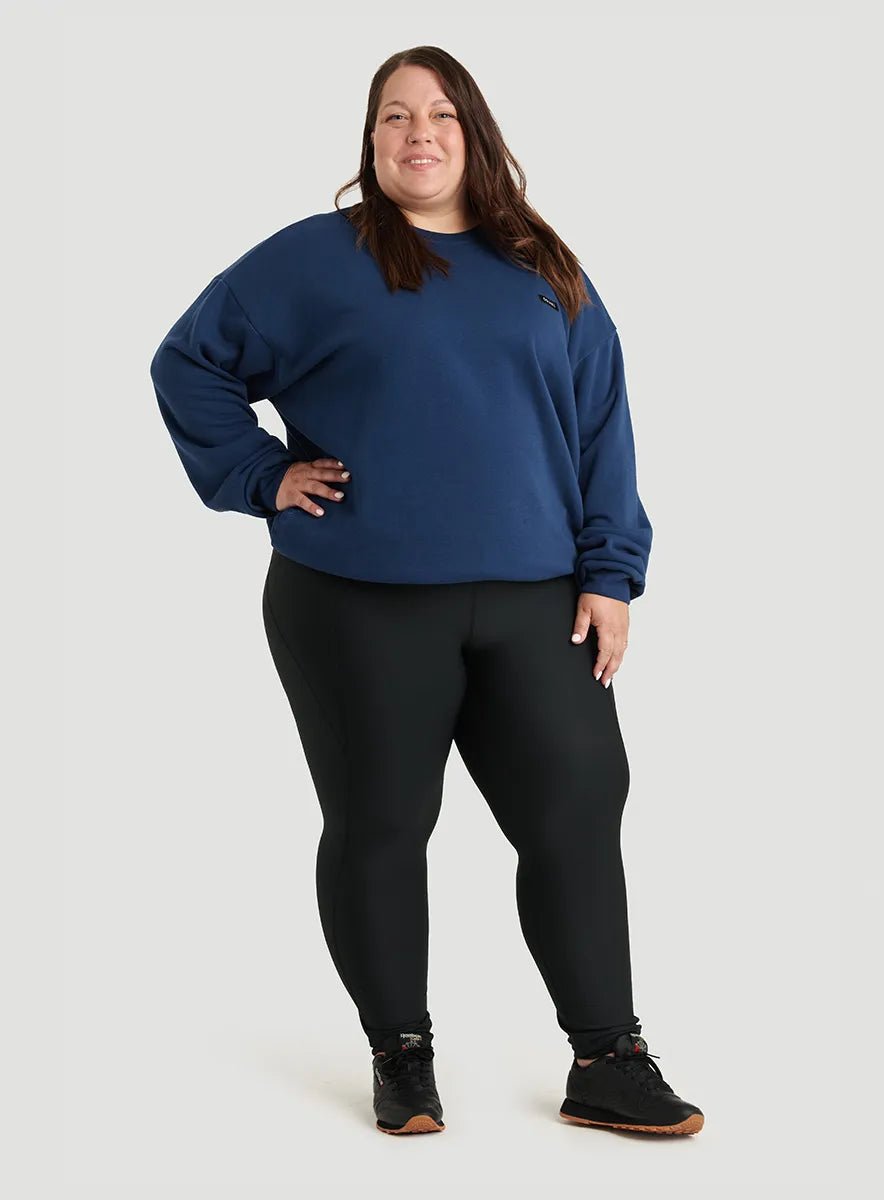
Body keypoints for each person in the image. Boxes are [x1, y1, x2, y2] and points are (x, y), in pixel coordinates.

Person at [149, 45, 704, 1138]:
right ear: (371, 140)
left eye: (441, 114)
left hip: (536, 600)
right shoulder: (315, 261)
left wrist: (611, 572)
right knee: (383, 824)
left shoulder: (539, 261)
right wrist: (262, 475)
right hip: (358, 598)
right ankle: (401, 1054)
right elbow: (187, 363)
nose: (419, 134)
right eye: (395, 116)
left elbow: (601, 419)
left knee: (577, 809)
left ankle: (608, 1056)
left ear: (473, 133)